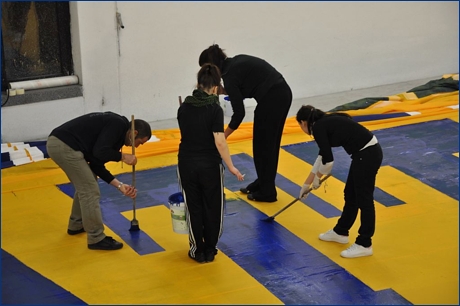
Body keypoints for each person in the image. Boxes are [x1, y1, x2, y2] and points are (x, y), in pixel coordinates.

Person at [198, 44, 292, 202]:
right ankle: (263, 182)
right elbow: (245, 87)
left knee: (264, 146)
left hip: (274, 98)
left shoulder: (230, 76)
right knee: (265, 144)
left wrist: (223, 136)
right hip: (279, 94)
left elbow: (239, 113)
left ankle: (267, 192)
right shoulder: (235, 63)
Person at [46, 112, 152, 251]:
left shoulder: (116, 135)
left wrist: (120, 185)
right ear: (134, 133)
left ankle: (77, 224)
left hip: (61, 144)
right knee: (89, 189)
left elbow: (96, 164)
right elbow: (100, 152)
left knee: (87, 183)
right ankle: (96, 238)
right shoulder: (118, 124)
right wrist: (122, 156)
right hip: (64, 146)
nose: (137, 147)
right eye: (139, 142)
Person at [177, 63, 245, 263]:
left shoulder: (184, 108)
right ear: (216, 86)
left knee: (193, 206)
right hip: (210, 165)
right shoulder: (214, 109)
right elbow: (219, 141)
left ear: (198, 84)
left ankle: (196, 249)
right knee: (213, 206)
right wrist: (231, 166)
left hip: (187, 163)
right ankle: (210, 248)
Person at [296, 105, 383, 258]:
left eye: (300, 126)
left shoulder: (319, 128)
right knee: (350, 195)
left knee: (364, 200)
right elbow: (322, 157)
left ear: (304, 122)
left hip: (367, 155)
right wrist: (306, 184)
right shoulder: (324, 123)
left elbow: (328, 162)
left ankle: (365, 243)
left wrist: (318, 179)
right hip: (363, 155)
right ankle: (341, 232)